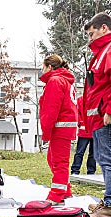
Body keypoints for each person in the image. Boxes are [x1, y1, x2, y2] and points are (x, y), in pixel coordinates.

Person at [82, 12, 111, 217]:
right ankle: (110, 200)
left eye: (91, 33)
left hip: (108, 118)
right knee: (106, 161)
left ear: (103, 28)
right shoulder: (104, 51)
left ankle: (110, 208)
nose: (90, 39)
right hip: (100, 117)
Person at [39, 54, 78, 205]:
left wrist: (46, 132)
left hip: (59, 127)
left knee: (59, 162)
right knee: (53, 159)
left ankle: (57, 193)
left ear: (49, 67)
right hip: (65, 127)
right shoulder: (65, 80)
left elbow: (51, 109)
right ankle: (65, 189)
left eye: (43, 67)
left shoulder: (55, 81)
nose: (42, 71)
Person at [70, 95, 96, 175]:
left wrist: (80, 123)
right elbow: (77, 113)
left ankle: (76, 170)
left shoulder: (81, 99)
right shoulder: (82, 100)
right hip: (89, 131)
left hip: (89, 130)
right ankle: (88, 171)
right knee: (88, 153)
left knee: (82, 153)